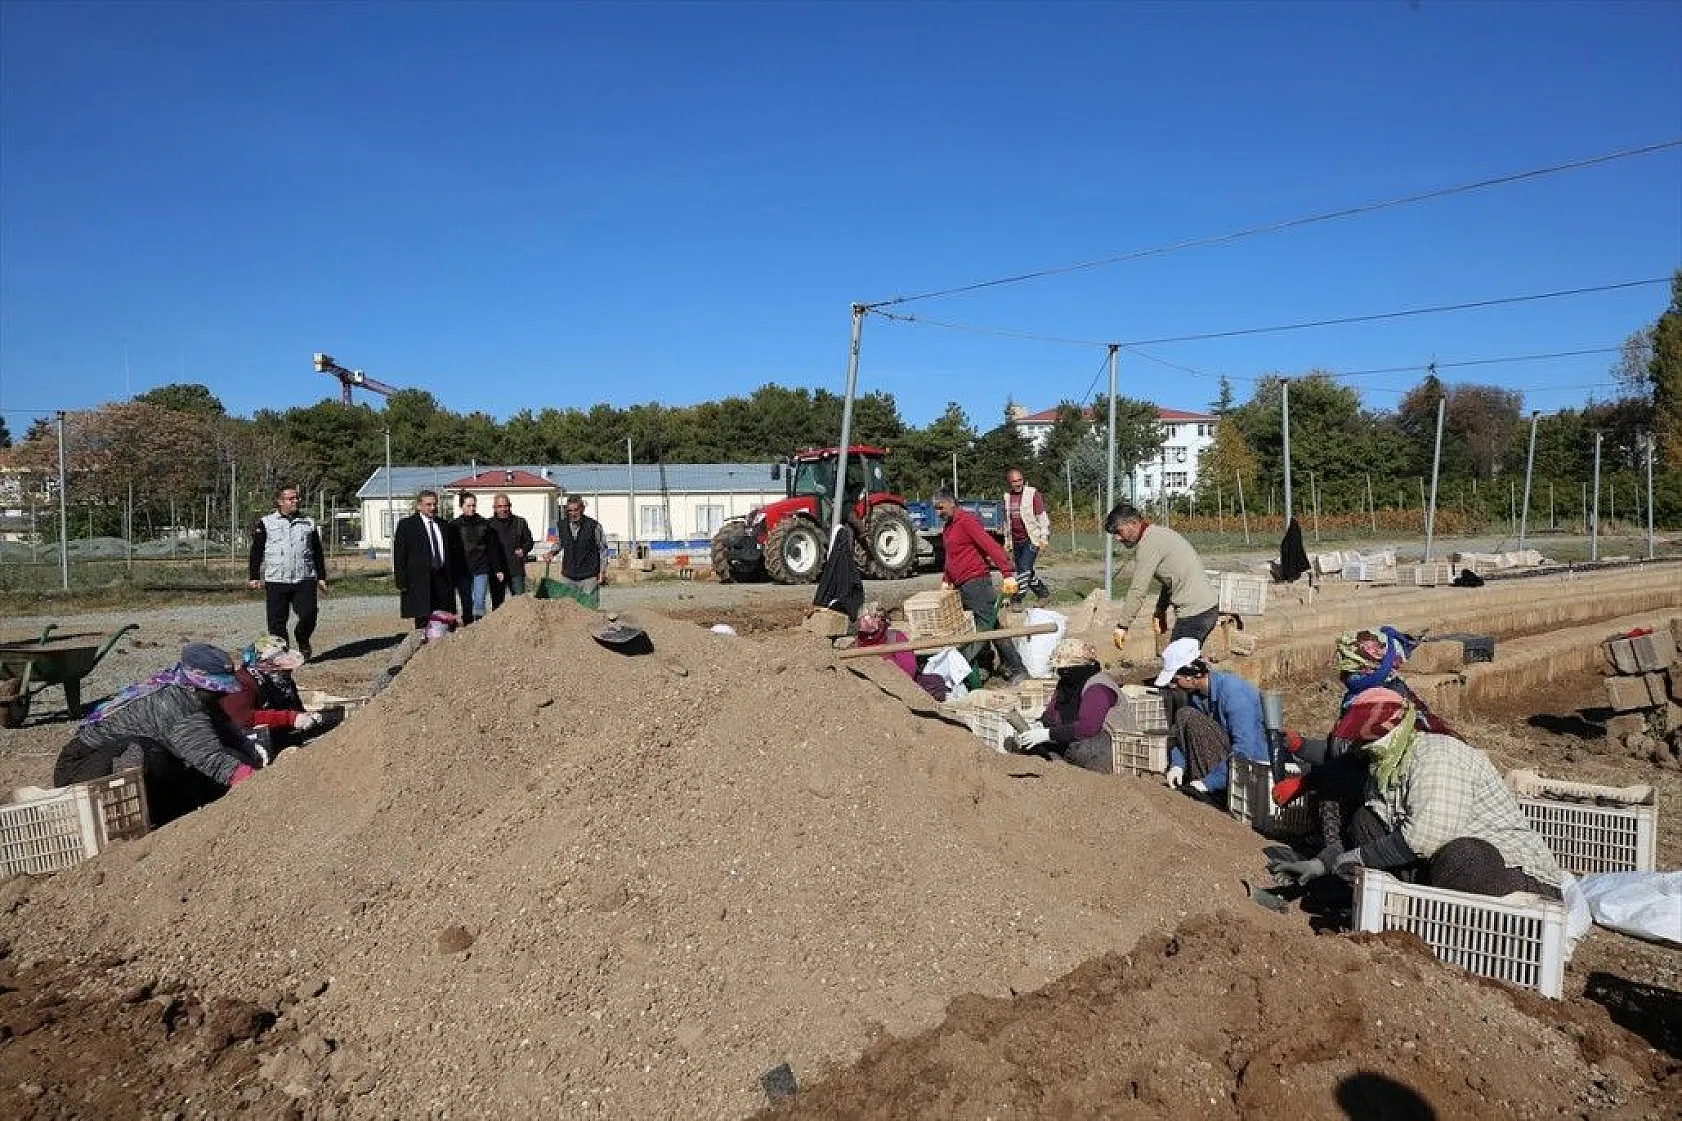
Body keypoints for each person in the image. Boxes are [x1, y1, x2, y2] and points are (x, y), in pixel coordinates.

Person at [1268, 687, 1564, 901]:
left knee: (1464, 857)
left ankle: (1446, 934)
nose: (1361, 747)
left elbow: (1426, 837)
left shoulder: (1437, 756)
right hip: (1440, 868)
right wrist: (1323, 863)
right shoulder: (1385, 766)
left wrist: (1356, 857)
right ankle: (1403, 913)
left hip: (1515, 879)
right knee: (1365, 820)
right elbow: (1376, 828)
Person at [53, 643, 259, 827]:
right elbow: (206, 755)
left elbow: (226, 733)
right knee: (150, 754)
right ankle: (136, 820)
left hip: (102, 760)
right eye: (217, 689)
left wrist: (253, 757)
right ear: (197, 684)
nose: (222, 694)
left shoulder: (195, 696)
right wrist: (251, 781)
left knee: (200, 768)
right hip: (81, 770)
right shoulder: (177, 703)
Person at [1156, 637, 1268, 806]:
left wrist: (1209, 783)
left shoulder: (1234, 693)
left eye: (1175, 679)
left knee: (1186, 715)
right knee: (1184, 715)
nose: (1173, 686)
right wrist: (1177, 765)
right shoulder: (1197, 696)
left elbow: (1245, 750)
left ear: (1191, 675)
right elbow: (1185, 736)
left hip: (1252, 769)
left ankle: (1215, 794)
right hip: (1226, 761)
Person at [933, 487, 1027, 685]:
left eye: (940, 507)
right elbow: (951, 557)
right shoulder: (948, 527)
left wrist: (1008, 574)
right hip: (962, 586)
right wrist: (946, 579)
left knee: (990, 626)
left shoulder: (966, 521)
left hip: (977, 582)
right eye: (936, 508)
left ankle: (1018, 669)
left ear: (951, 502)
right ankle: (987, 665)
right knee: (978, 626)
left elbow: (990, 546)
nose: (938, 512)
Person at [1104, 502, 1220, 652]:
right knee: (1187, 664)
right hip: (1206, 608)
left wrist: (1122, 626)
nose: (1117, 538)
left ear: (1133, 523)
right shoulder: (1156, 534)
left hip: (1195, 613)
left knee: (1179, 666)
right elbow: (1171, 578)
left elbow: (1138, 590)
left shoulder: (1149, 544)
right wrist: (1160, 609)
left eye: (1119, 532)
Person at [1010, 639, 1122, 772]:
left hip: (1111, 746)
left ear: (1074, 668)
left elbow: (1088, 728)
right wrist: (1040, 725)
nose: (1060, 675)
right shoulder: (1066, 683)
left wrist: (1047, 734)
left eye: (1063, 670)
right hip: (1080, 740)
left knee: (1080, 748)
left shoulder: (1097, 687)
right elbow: (1053, 713)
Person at [247, 484, 328, 662]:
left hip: (304, 578)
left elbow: (317, 552)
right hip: (277, 579)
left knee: (309, 614)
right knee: (277, 622)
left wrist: (321, 577)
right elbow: (257, 551)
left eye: (297, 498)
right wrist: (254, 576)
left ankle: (303, 638)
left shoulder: (308, 523)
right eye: (291, 499)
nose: (295, 501)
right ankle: (282, 654)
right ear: (280, 501)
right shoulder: (266, 523)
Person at [220, 636, 330, 752]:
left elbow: (295, 709)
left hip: (277, 732)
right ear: (264, 667)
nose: (288, 672)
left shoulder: (283, 682)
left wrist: (307, 717)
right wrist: (290, 718)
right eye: (282, 669)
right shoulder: (242, 684)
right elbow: (243, 719)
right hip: (241, 741)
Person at [393, 490, 465, 630]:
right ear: (419, 506)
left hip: (442, 576)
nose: (433, 508)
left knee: (444, 614)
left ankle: (441, 643)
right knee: (423, 614)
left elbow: (453, 553)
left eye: (434, 504)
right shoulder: (407, 525)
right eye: (428, 505)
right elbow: (400, 554)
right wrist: (401, 580)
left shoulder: (445, 526)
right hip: (419, 578)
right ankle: (423, 643)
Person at [853, 601, 948, 700]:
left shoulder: (894, 637)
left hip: (902, 685)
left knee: (935, 682)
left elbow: (909, 670)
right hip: (872, 689)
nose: (866, 621)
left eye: (871, 617)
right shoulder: (855, 645)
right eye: (863, 618)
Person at [451, 492, 507, 625]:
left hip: (481, 568)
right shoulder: (454, 526)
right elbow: (451, 551)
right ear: (461, 506)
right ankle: (469, 628)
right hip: (462, 570)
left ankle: (480, 628)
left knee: (479, 601)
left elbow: (492, 549)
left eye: (474, 505)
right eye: (468, 505)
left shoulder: (484, 524)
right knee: (466, 602)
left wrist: (498, 569)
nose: (472, 508)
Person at [1003, 468, 1052, 604]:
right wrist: (1007, 541)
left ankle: (1017, 599)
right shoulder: (1007, 498)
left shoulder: (1032, 494)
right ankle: (1043, 594)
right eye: (1014, 481)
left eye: (1020, 480)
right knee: (1025, 571)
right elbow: (1007, 522)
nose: (1018, 483)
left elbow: (1042, 517)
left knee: (1024, 568)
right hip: (1016, 541)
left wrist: (1044, 537)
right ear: (1010, 483)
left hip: (1032, 539)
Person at [549, 495, 610, 599]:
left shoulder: (594, 526)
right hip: (568, 576)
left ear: (582, 509)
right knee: (566, 609)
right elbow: (559, 543)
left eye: (576, 510)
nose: (573, 514)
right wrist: (551, 553)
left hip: (588, 577)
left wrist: (602, 571)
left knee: (588, 610)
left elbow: (602, 550)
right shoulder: (561, 525)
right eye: (570, 511)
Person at [487, 493, 534, 606]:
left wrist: (523, 550)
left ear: (510, 506)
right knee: (498, 606)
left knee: (520, 604)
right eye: (500, 506)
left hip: (515, 569)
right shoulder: (489, 524)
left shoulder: (520, 522)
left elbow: (529, 541)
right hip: (498, 572)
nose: (503, 509)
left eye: (505, 506)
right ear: (494, 507)